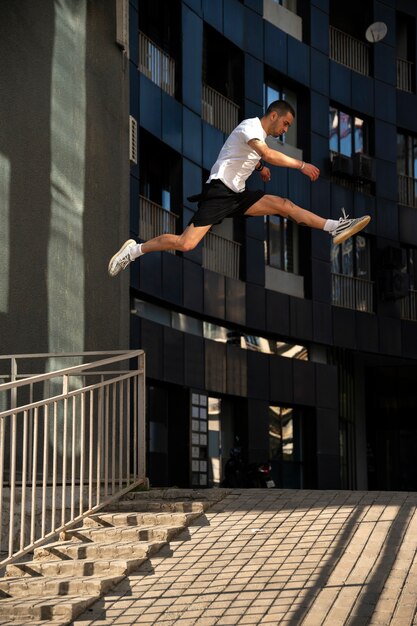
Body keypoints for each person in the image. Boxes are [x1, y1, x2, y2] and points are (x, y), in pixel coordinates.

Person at [108, 100, 370, 277]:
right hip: (220, 191)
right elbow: (264, 153)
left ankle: (336, 226)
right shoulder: (251, 126)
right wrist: (300, 165)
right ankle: (133, 250)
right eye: (286, 124)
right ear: (274, 115)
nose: (285, 129)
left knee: (284, 206)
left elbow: (243, 155)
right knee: (186, 244)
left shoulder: (259, 136)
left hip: (238, 194)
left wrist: (258, 169)